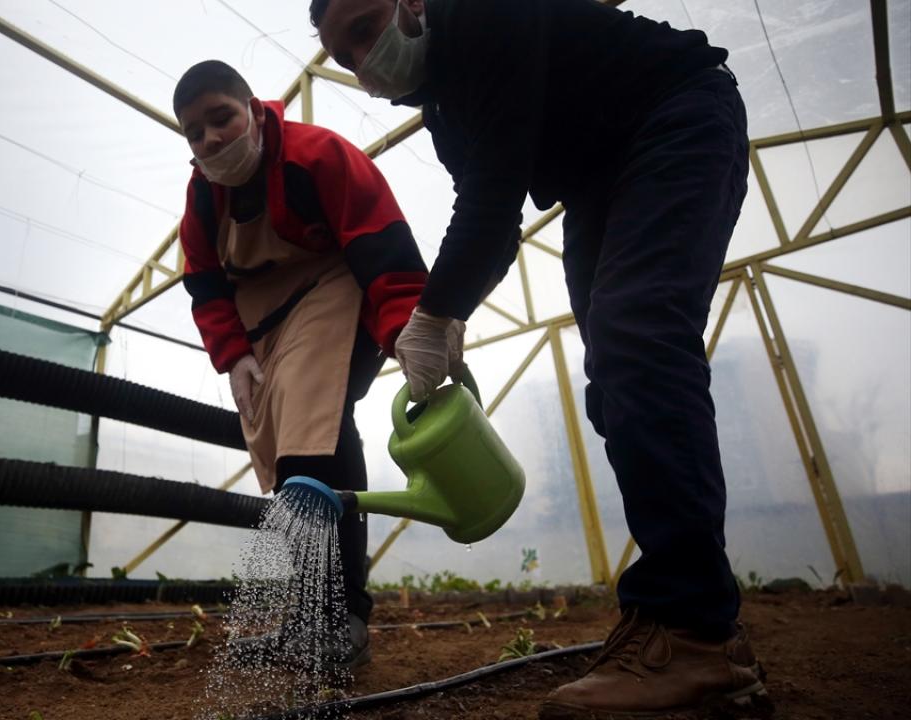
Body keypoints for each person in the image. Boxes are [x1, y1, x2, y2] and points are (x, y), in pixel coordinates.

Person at [309, 0, 773, 717]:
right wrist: (448, 315)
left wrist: (434, 314)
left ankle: (693, 632)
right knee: (618, 374)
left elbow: (493, 206)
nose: (365, 62)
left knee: (637, 336)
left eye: (366, 29)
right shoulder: (445, 110)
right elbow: (490, 217)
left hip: (674, 113)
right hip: (600, 180)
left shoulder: (483, 13)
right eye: (346, 57)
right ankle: (672, 620)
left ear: (409, 3)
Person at [173, 60, 428, 672]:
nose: (210, 140)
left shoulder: (317, 155)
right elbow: (204, 284)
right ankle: (311, 616)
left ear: (255, 111)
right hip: (265, 324)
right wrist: (231, 355)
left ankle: (345, 616)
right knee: (288, 458)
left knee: (312, 447)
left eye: (221, 119)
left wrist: (404, 328)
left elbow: (382, 241)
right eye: (194, 132)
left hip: (335, 292)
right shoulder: (203, 198)